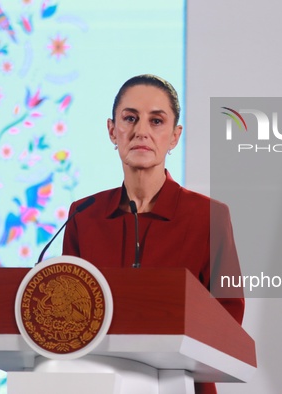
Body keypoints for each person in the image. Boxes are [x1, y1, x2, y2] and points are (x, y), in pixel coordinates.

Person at [62, 74, 244, 394]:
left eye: (156, 121)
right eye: (130, 118)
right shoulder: (83, 214)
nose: (141, 131)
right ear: (112, 130)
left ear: (174, 137)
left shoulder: (209, 217)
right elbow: (67, 311)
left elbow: (229, 317)